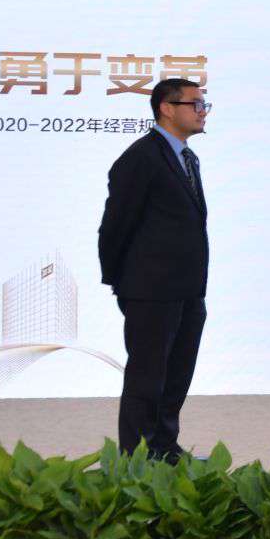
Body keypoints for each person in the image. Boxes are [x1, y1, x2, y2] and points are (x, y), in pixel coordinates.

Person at [98, 76, 212, 461]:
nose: (203, 112)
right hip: (151, 290)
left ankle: (164, 447)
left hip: (187, 289)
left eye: (204, 105)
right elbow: (116, 224)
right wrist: (122, 281)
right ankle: (137, 457)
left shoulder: (187, 158)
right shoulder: (141, 158)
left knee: (176, 374)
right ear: (166, 108)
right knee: (147, 377)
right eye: (195, 104)